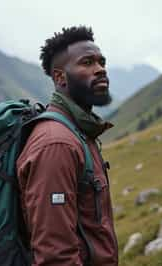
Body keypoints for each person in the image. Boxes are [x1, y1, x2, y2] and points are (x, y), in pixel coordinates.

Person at [17, 26, 118, 266]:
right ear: (60, 77)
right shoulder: (57, 143)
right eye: (88, 62)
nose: (101, 69)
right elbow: (55, 255)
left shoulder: (79, 132)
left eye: (102, 61)